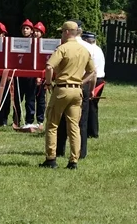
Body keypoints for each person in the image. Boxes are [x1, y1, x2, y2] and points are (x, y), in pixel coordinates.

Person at [40, 21, 95, 170]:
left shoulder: (62, 49)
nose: (61, 34)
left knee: (52, 124)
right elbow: (92, 71)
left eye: (62, 32)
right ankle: (73, 161)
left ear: (66, 32)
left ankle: (51, 159)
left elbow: (49, 66)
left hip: (62, 89)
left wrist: (48, 82)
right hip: (77, 90)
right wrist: (81, 82)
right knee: (74, 127)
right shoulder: (84, 50)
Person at [56, 21, 96, 159]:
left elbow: (52, 66)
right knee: (80, 122)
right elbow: (93, 72)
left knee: (60, 120)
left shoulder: (63, 46)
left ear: (68, 31)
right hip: (81, 84)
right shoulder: (88, 47)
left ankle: (58, 150)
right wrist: (89, 87)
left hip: (65, 85)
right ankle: (80, 153)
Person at [83, 30, 105, 138]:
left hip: (94, 79)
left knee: (89, 105)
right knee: (93, 106)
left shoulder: (90, 50)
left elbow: (92, 71)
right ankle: (92, 131)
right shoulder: (98, 49)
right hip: (100, 79)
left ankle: (90, 131)